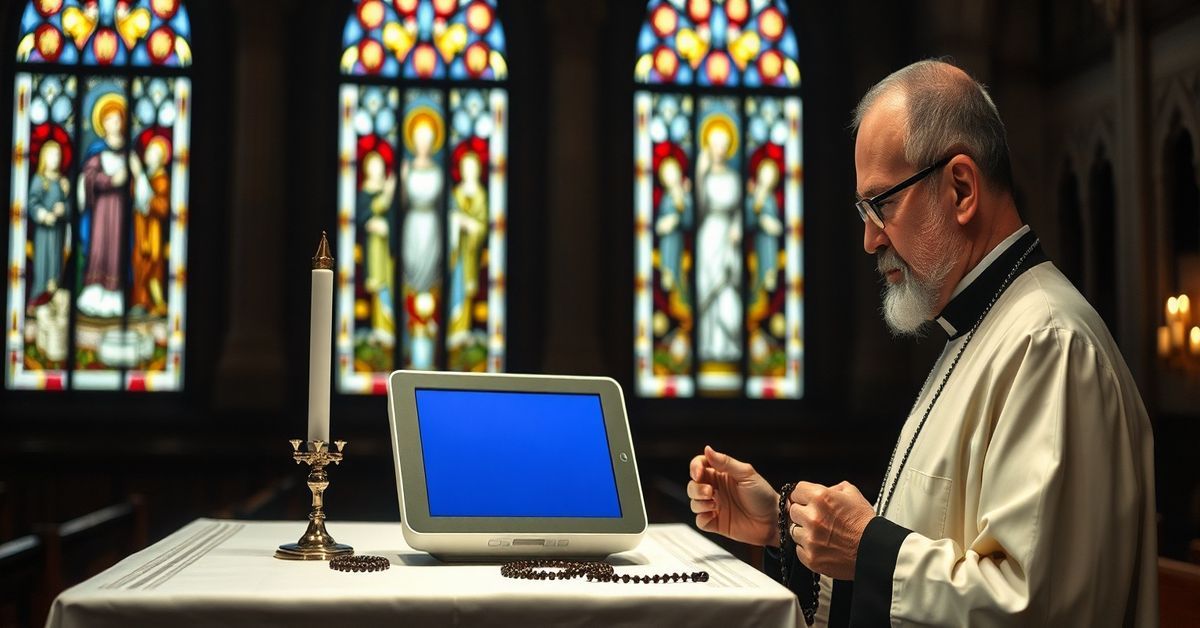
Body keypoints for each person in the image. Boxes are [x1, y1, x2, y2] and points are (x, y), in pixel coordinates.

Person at [687, 60, 1157, 627]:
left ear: (961, 187)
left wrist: (869, 548)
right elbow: (930, 566)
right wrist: (783, 526)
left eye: (881, 204)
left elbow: (1033, 608)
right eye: (864, 210)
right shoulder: (979, 331)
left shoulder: (1049, 345)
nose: (869, 239)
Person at [28, 139, 69, 305]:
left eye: (58, 155)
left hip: (58, 231)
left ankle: (53, 294)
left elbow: (69, 203)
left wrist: (64, 208)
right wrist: (43, 214)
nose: (56, 159)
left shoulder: (62, 182)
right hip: (44, 232)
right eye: (52, 155)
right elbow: (32, 202)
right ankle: (38, 297)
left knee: (56, 263)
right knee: (43, 263)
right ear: (44, 157)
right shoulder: (39, 179)